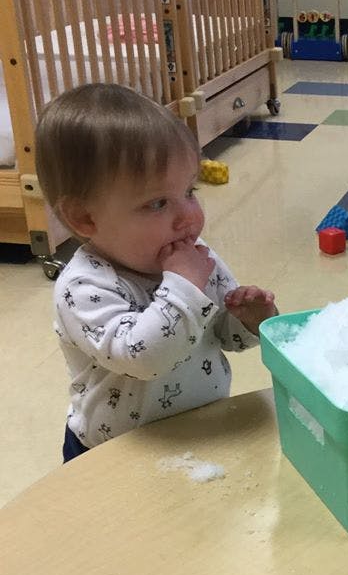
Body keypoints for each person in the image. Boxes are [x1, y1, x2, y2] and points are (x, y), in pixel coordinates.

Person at [35, 83, 278, 461]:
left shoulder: (195, 261)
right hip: (113, 452)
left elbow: (220, 336)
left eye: (190, 192)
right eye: (158, 203)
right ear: (84, 217)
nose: (188, 216)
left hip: (200, 431)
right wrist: (184, 286)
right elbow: (144, 359)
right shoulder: (85, 286)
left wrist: (248, 321)